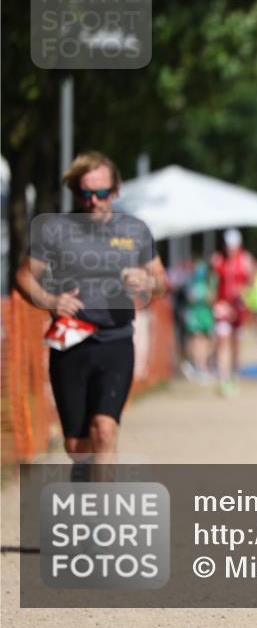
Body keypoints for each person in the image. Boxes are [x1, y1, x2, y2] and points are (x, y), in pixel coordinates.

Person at [14, 151, 166, 472]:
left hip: (116, 341)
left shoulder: (134, 231)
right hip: (71, 342)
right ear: (76, 193)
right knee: (78, 446)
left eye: (101, 193)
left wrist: (147, 281)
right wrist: (50, 300)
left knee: (105, 430)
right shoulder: (56, 231)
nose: (94, 201)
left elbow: (162, 281)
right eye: (86, 193)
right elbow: (24, 277)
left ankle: (101, 517)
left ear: (116, 191)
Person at [212, 228, 255, 397]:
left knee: (236, 343)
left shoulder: (245, 259)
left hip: (239, 307)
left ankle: (235, 372)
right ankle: (224, 378)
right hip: (223, 306)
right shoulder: (218, 260)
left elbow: (252, 282)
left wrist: (243, 292)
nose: (231, 249)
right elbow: (213, 283)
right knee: (223, 341)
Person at [181, 259, 217, 383]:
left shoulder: (207, 282)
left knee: (207, 341)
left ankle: (201, 365)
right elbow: (192, 299)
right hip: (197, 316)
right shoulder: (195, 283)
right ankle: (199, 366)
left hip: (206, 316)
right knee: (198, 341)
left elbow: (211, 299)